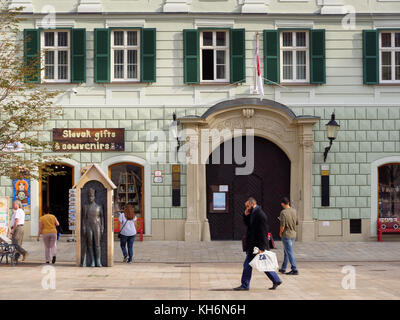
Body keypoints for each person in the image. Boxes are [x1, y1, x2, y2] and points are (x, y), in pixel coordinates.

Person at [234, 197, 282, 291]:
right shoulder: (253, 213)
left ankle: (245, 285)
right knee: (262, 263)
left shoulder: (260, 214)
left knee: (248, 264)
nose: (247, 208)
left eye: (248, 206)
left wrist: (262, 247)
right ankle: (276, 279)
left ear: (252, 204)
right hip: (253, 244)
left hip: (256, 245)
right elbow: (249, 225)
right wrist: (245, 215)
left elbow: (263, 232)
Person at [279, 197, 299, 275]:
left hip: (286, 234)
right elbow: (297, 222)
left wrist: (280, 232)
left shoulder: (283, 212)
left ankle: (294, 269)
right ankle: (283, 268)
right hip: (293, 234)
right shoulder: (294, 211)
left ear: (283, 204)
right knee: (286, 251)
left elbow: (282, 225)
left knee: (289, 252)